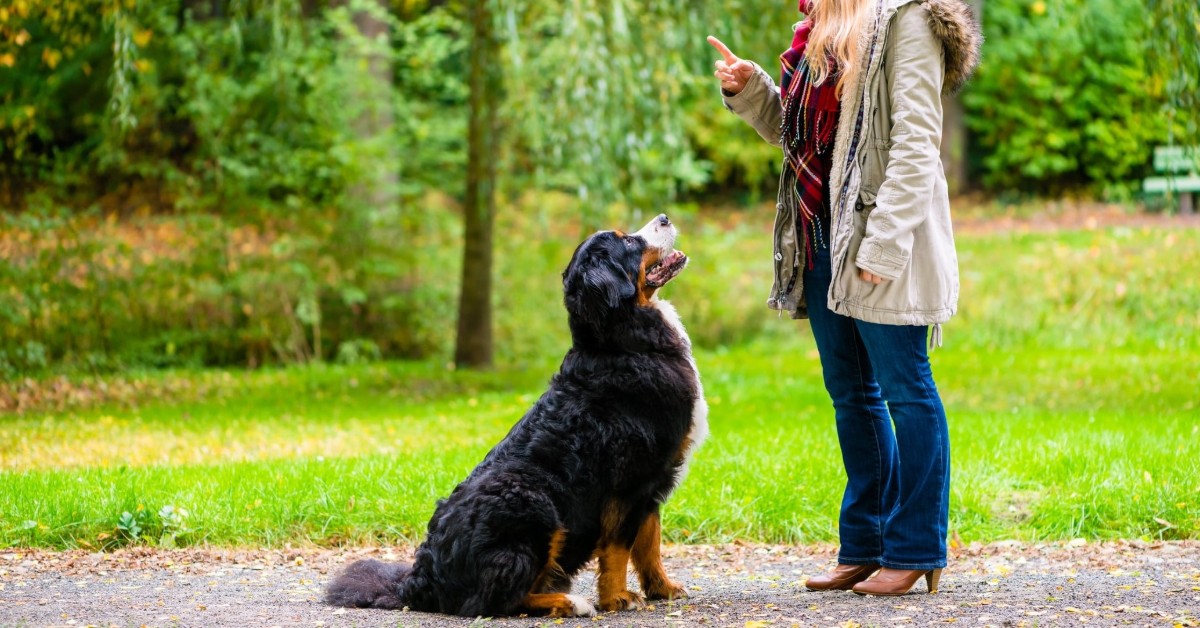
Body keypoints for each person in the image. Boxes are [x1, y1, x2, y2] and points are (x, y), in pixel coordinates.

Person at [708, 0, 981, 596]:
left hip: (879, 236)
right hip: (819, 235)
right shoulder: (818, 31)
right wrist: (752, 88)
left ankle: (915, 548)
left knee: (907, 389)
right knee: (852, 395)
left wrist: (883, 245)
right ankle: (865, 545)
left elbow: (915, 143)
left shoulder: (909, 20)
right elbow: (805, 137)